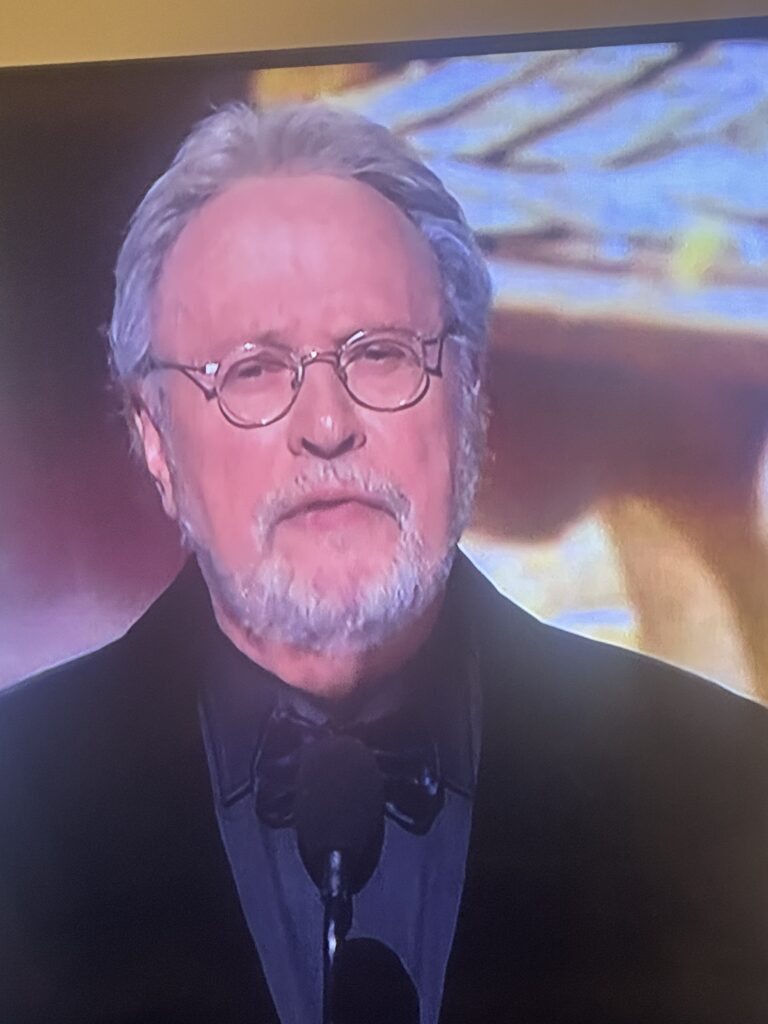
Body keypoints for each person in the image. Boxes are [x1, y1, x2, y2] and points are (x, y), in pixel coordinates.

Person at [1, 102, 766, 1024]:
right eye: (252, 370)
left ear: (470, 399)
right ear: (156, 440)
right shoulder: (15, 799)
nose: (327, 425)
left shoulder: (731, 785)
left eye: (381, 355)